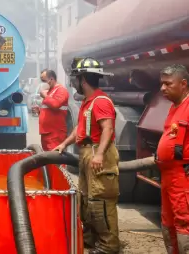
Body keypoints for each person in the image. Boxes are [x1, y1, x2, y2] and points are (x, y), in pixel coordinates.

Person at [54, 57, 119, 254]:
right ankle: (91, 241)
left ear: (82, 80)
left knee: (100, 200)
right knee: (86, 199)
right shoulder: (88, 102)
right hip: (87, 152)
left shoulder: (100, 101)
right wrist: (64, 144)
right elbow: (79, 129)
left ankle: (109, 246)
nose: (74, 83)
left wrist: (99, 155)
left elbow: (107, 128)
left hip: (97, 153)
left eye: (75, 79)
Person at [156, 64, 189, 253]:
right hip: (168, 177)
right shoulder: (174, 108)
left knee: (184, 222)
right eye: (162, 84)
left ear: (183, 84)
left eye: (168, 84)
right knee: (168, 221)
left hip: (182, 177)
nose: (162, 88)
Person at [38, 69, 69, 151]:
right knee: (48, 159)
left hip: (55, 133)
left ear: (51, 79)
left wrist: (45, 96)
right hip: (46, 133)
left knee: (55, 159)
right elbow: (49, 110)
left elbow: (56, 105)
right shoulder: (50, 91)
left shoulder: (61, 90)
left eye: (43, 80)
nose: (42, 83)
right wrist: (39, 111)